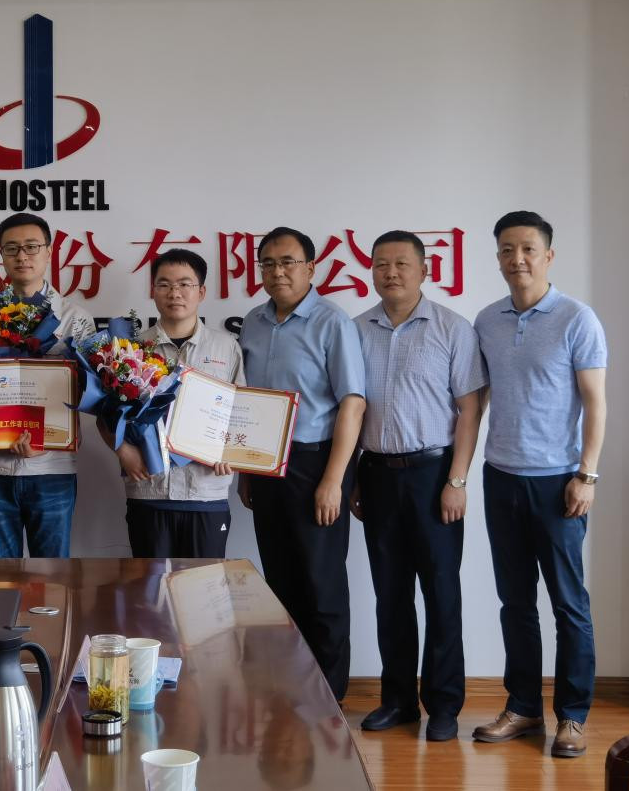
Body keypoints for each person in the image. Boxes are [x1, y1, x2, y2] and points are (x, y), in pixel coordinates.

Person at [471, 210, 607, 759]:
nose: (517, 259)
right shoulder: (487, 320)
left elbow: (596, 403)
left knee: (569, 604)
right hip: (500, 477)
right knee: (515, 602)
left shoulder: (577, 318)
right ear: (498, 257)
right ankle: (523, 707)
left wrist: (586, 474)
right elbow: (476, 400)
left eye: (528, 249)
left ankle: (572, 716)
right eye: (507, 250)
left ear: (548, 256)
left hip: (559, 483)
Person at [349, 230, 486, 742]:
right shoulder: (356, 330)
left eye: (402, 263)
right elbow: (351, 408)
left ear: (425, 270)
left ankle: (444, 705)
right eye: (381, 264)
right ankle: (398, 701)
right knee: (390, 594)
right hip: (376, 473)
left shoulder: (452, 328)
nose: (391, 273)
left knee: (441, 592)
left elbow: (470, 409)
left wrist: (457, 480)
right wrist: (353, 476)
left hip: (434, 475)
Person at [238, 226, 366, 702]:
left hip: (316, 464)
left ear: (311, 267)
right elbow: (247, 401)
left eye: (288, 262)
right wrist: (247, 470)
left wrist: (334, 480)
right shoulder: (253, 322)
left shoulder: (332, 322)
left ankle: (329, 700)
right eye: (268, 263)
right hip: (266, 466)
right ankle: (291, 692)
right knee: (281, 584)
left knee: (321, 585)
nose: (277, 272)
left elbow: (353, 403)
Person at [0, 212, 95, 558]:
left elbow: (89, 392)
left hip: (51, 467)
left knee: (52, 576)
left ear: (49, 252)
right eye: (11, 248)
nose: (22, 256)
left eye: (31, 247)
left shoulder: (75, 319)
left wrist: (46, 437)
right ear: (1, 255)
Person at [102, 249, 244, 557]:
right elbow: (106, 413)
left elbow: (240, 412)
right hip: (149, 489)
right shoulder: (132, 349)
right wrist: (123, 451)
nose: (174, 293)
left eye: (184, 284)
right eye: (164, 284)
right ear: (153, 291)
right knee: (150, 585)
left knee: (205, 584)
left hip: (206, 491)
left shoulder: (226, 347)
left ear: (201, 292)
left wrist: (231, 453)